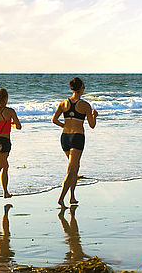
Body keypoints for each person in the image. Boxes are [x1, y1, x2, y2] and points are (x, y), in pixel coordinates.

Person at [52, 77, 98, 208]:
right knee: (71, 170)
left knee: (75, 167)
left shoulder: (63, 103)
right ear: (80, 89)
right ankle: (61, 198)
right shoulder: (85, 105)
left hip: (65, 137)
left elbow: (54, 120)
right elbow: (92, 125)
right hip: (77, 137)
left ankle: (72, 197)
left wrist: (65, 126)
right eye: (84, 87)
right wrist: (94, 115)